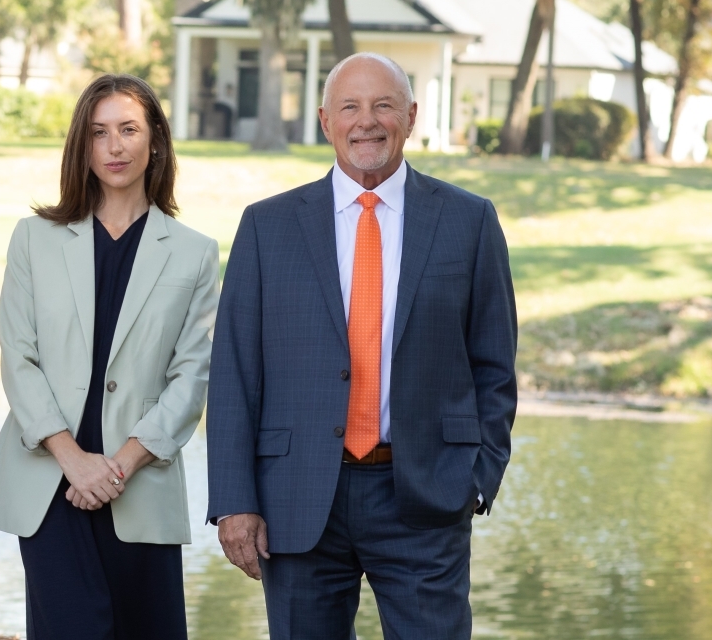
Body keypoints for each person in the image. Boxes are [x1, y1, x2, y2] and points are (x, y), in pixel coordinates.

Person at [206, 53, 517, 640]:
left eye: (383, 106)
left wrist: (477, 476)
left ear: (411, 116)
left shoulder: (469, 222)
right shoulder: (266, 227)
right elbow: (234, 374)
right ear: (325, 120)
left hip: (425, 495)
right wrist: (233, 501)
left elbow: (494, 366)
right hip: (295, 500)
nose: (366, 121)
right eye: (350, 107)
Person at [0, 73, 220, 640]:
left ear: (155, 140)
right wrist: (74, 459)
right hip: (49, 482)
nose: (114, 146)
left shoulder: (194, 254)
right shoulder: (33, 238)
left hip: (140, 483)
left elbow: (192, 376)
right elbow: (19, 357)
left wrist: (120, 464)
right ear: (81, 147)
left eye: (128, 130)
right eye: (98, 132)